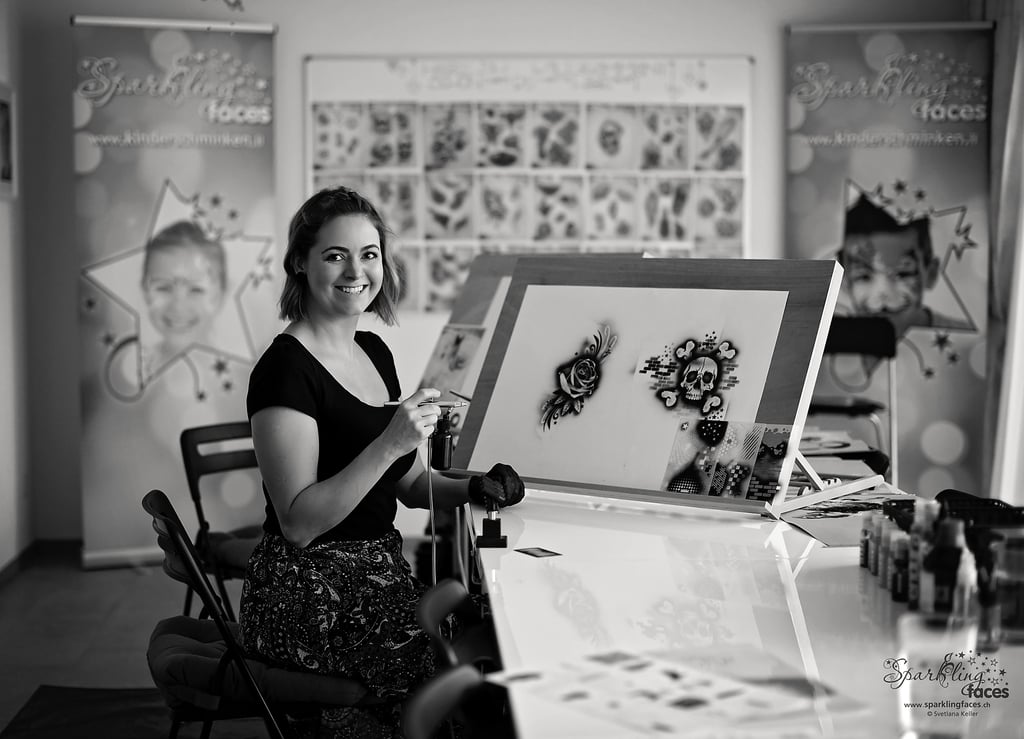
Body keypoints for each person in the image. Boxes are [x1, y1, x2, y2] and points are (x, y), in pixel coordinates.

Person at [238, 186, 524, 738]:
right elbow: (298, 524)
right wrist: (390, 443)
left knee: (492, 632)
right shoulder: (283, 371)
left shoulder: (374, 352)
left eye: (369, 254)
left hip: (378, 579)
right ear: (300, 262)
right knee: (466, 666)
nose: (356, 271)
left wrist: (475, 487)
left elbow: (412, 486)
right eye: (335, 255)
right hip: (305, 592)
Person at [837, 195, 973, 338]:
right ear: (842, 281)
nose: (883, 293)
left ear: (931, 273)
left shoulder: (967, 342)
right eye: (863, 276)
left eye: (902, 274)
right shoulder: (831, 343)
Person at [140, 220, 227, 378]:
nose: (178, 306)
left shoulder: (243, 377)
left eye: (196, 289)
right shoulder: (133, 373)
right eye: (163, 287)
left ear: (219, 296)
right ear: (145, 290)